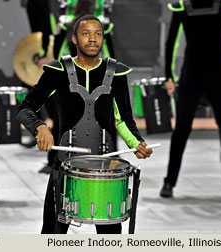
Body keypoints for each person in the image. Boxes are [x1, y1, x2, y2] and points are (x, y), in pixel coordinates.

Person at [17, 14, 152, 234]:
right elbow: (26, 107)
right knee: (51, 236)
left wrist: (137, 143)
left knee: (110, 237)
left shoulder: (116, 73)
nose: (92, 39)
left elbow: (123, 118)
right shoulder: (58, 71)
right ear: (74, 39)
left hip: (105, 171)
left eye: (98, 34)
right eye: (86, 34)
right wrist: (39, 127)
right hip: (64, 169)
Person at [160, 0, 221, 198]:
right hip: (213, 74)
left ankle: (169, 183)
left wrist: (169, 76)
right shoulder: (215, 5)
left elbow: (171, 43)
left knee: (185, 129)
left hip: (195, 74)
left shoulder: (190, 6)